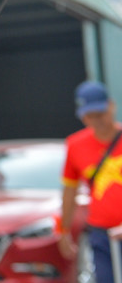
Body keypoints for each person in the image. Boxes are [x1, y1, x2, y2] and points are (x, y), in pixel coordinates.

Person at [59, 80, 122, 283]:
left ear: (111, 106)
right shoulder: (75, 145)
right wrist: (64, 230)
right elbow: (70, 191)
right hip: (101, 233)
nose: (96, 120)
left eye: (100, 113)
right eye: (89, 116)